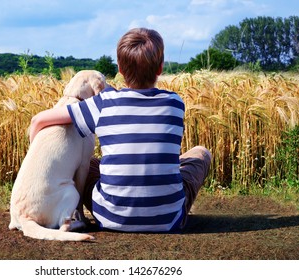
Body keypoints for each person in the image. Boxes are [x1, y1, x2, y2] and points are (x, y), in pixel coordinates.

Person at [29, 28, 211, 232]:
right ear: (160, 68)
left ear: (120, 69)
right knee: (201, 153)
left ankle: (72, 212)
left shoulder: (104, 103)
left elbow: (39, 121)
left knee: (88, 163)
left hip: (109, 217)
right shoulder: (175, 102)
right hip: (169, 219)